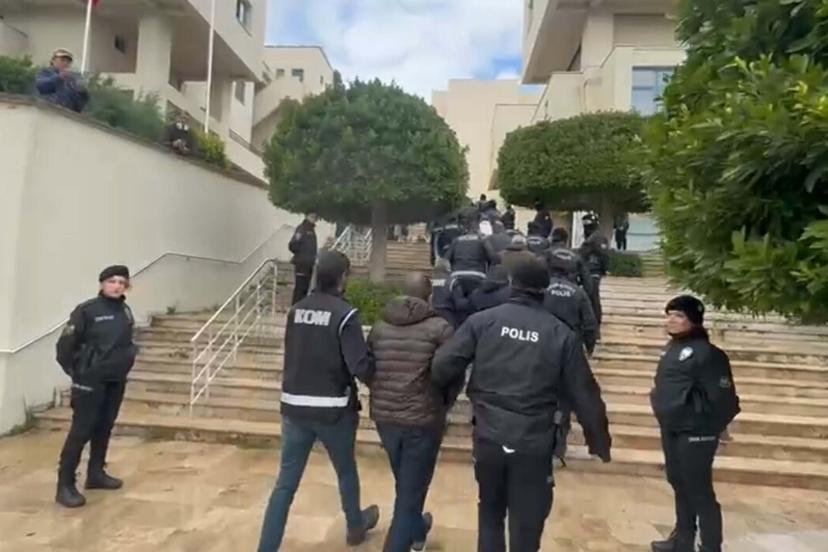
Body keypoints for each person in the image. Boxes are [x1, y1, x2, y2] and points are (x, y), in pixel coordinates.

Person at [432, 257, 612, 552]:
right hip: (534, 442)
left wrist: (441, 401)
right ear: (545, 289)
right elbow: (585, 394)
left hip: (489, 437)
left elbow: (442, 368)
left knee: (490, 512)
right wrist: (599, 442)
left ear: (512, 284)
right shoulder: (560, 334)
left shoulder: (482, 322)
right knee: (527, 522)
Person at [257, 251, 380, 551]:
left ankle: (266, 547)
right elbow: (359, 366)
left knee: (285, 484)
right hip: (334, 410)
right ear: (343, 277)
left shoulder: (296, 310)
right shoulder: (345, 314)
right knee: (345, 471)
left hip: (294, 407)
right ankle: (355, 527)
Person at [367, 273, 457, 552]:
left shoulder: (380, 327)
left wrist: (382, 393)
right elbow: (452, 374)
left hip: (385, 417)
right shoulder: (441, 329)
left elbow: (368, 367)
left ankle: (417, 529)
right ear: (429, 297)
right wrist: (444, 403)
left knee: (407, 485)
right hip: (422, 420)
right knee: (410, 492)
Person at [650, 296, 740, 552]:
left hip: (697, 431)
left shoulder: (709, 354)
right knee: (679, 483)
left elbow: (724, 397)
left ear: (694, 320)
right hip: (672, 427)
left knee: (699, 490)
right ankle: (682, 540)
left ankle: (711, 546)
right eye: (669, 314)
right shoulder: (672, 348)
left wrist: (714, 427)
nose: (671, 320)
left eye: (679, 316)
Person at [55, 265, 137, 508]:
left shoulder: (125, 311)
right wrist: (79, 372)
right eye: (112, 281)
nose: (117, 286)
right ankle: (65, 485)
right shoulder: (87, 311)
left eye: (121, 282)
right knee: (82, 430)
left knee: (104, 427)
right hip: (90, 381)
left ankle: (96, 474)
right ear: (102, 284)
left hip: (115, 379)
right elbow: (64, 347)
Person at [543, 249, 599, 464]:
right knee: (563, 402)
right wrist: (589, 348)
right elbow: (590, 324)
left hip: (540, 348)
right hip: (569, 351)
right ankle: (557, 451)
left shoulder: (540, 289)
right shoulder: (578, 293)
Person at [445, 213, 499, 314]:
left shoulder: (457, 240)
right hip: (477, 276)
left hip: (457, 277)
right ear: (477, 225)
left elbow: (446, 259)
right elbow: (494, 259)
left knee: (457, 308)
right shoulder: (482, 240)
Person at [579, 213, 610, 329]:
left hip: (594, 270)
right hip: (588, 270)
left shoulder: (597, 238)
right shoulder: (591, 237)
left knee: (593, 296)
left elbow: (604, 255)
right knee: (589, 296)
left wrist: (605, 268)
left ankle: (595, 321)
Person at [36, 48, 89, 113]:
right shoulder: (45, 72)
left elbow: (81, 102)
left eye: (68, 61)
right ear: (53, 61)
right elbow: (41, 87)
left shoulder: (72, 80)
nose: (65, 63)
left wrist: (82, 90)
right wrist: (59, 77)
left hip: (66, 115)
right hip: (48, 111)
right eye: (62, 60)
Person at [550, 227, 594, 298]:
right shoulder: (576, 256)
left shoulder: (545, 254)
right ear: (566, 240)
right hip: (571, 293)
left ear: (552, 239)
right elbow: (587, 282)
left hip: (550, 293)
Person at [288, 211, 318, 305]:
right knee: (300, 288)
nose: (314, 219)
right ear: (307, 216)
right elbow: (293, 244)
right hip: (302, 263)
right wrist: (302, 255)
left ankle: (301, 306)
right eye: (312, 216)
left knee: (305, 288)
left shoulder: (311, 229)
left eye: (315, 217)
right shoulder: (302, 228)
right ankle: (296, 307)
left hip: (309, 264)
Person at [430, 260, 457, 328]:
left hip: (433, 310)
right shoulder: (452, 280)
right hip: (448, 310)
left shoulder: (432, 279)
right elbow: (456, 297)